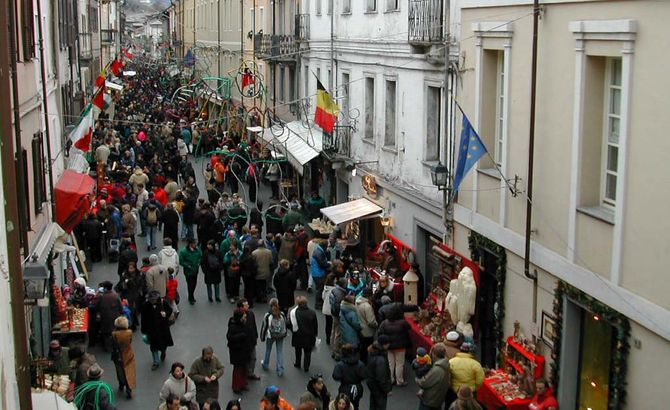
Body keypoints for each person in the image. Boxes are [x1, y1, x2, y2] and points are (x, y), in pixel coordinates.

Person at [377, 302, 411, 386]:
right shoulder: (403, 322)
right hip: (400, 346)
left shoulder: (384, 323)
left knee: (390, 363)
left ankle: (391, 379)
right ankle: (399, 381)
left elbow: (380, 332)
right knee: (399, 364)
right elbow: (409, 329)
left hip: (389, 346)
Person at [141, 290, 174, 370]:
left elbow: (170, 310)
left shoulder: (163, 303)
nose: (152, 301)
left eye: (153, 299)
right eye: (150, 299)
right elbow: (143, 318)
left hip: (163, 328)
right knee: (153, 347)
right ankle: (156, 362)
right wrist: (144, 330)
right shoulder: (145, 305)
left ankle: (163, 352)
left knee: (164, 344)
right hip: (151, 330)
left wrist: (165, 314)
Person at [416, 343, 452, 410]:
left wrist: (417, 379)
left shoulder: (437, 369)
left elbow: (424, 382)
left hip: (430, 400)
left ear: (434, 354)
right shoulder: (446, 364)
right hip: (438, 399)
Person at [333, 344, 368, 410]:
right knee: (355, 405)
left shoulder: (340, 364)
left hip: (345, 388)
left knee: (344, 407)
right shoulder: (360, 364)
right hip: (357, 389)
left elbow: (336, 376)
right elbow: (364, 375)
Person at [289, 296, 318, 372]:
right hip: (309, 336)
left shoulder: (295, 313)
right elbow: (315, 325)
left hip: (298, 336)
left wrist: (292, 330)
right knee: (308, 352)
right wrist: (315, 334)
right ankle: (306, 367)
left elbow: (289, 323)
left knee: (298, 351)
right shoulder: (312, 312)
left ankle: (297, 363)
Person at [260, 298, 288, 376]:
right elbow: (285, 324)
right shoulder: (281, 314)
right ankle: (280, 370)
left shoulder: (268, 315)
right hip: (280, 335)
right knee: (279, 351)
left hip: (271, 336)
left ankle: (265, 364)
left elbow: (264, 326)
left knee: (268, 350)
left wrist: (262, 337)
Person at [94, 280, 123, 352]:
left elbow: (96, 307)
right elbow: (121, 307)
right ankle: (115, 346)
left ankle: (108, 347)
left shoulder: (102, 297)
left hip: (105, 318)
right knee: (115, 332)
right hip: (115, 317)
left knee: (106, 334)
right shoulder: (115, 296)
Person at [227, 308, 251, 393]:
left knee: (243, 368)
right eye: (244, 316)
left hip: (243, 351)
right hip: (237, 352)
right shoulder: (233, 326)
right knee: (237, 370)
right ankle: (236, 386)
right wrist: (241, 336)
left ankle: (242, 384)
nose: (245, 317)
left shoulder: (242, 324)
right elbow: (230, 338)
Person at [111, 316, 136, 399]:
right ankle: (129, 388)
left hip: (118, 355)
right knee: (129, 371)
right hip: (128, 354)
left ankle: (121, 384)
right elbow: (130, 341)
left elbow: (113, 344)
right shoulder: (129, 332)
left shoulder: (114, 334)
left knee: (120, 371)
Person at [236, 298, 260, 380]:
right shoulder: (238, 317)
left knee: (253, 358)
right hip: (244, 343)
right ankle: (245, 374)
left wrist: (256, 336)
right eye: (246, 305)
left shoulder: (251, 313)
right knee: (245, 359)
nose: (248, 306)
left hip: (252, 340)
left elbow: (254, 325)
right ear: (241, 307)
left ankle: (250, 373)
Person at [366, 337, 392, 410]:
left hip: (372, 384)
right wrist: (387, 389)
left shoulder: (372, 352)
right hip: (379, 388)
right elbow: (382, 378)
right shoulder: (381, 360)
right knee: (380, 406)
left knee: (373, 405)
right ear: (384, 345)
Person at [355, 289, 377, 363]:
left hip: (360, 329)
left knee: (362, 348)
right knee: (367, 349)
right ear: (370, 296)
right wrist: (376, 325)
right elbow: (371, 321)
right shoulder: (367, 306)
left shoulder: (357, 302)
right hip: (368, 332)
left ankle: (361, 361)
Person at [179, 238, 203, 304]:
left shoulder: (197, 250)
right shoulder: (184, 251)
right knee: (190, 284)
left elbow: (200, 256)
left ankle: (191, 295)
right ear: (190, 244)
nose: (196, 244)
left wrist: (199, 262)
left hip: (195, 270)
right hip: (188, 271)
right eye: (194, 243)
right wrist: (187, 265)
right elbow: (181, 261)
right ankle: (191, 297)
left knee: (194, 284)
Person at [310, 239, 330, 310]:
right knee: (320, 289)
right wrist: (329, 264)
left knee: (319, 288)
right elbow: (322, 264)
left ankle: (318, 303)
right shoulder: (319, 253)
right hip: (319, 274)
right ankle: (318, 304)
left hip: (316, 273)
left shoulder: (318, 250)